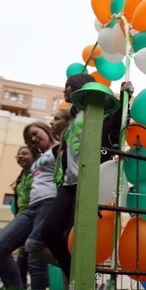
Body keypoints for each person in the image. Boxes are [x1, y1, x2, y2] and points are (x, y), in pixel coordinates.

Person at [41, 74, 133, 281]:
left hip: (88, 181)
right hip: (68, 184)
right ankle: (78, 276)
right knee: (49, 231)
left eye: (69, 86)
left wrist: (125, 97)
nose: (65, 90)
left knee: (75, 238)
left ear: (81, 87)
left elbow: (115, 125)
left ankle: (81, 279)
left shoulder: (100, 112)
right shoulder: (74, 118)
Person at [0, 122, 59, 289]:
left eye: (35, 133)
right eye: (29, 138)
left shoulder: (59, 147)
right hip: (31, 207)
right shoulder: (40, 157)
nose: (33, 139)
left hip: (49, 202)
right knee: (1, 246)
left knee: (35, 260)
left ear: (45, 129)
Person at [10, 145, 40, 288]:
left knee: (32, 261)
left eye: (24, 154)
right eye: (18, 155)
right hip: (22, 219)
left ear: (34, 156)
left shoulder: (37, 174)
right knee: (21, 262)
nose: (20, 156)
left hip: (35, 218)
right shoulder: (21, 177)